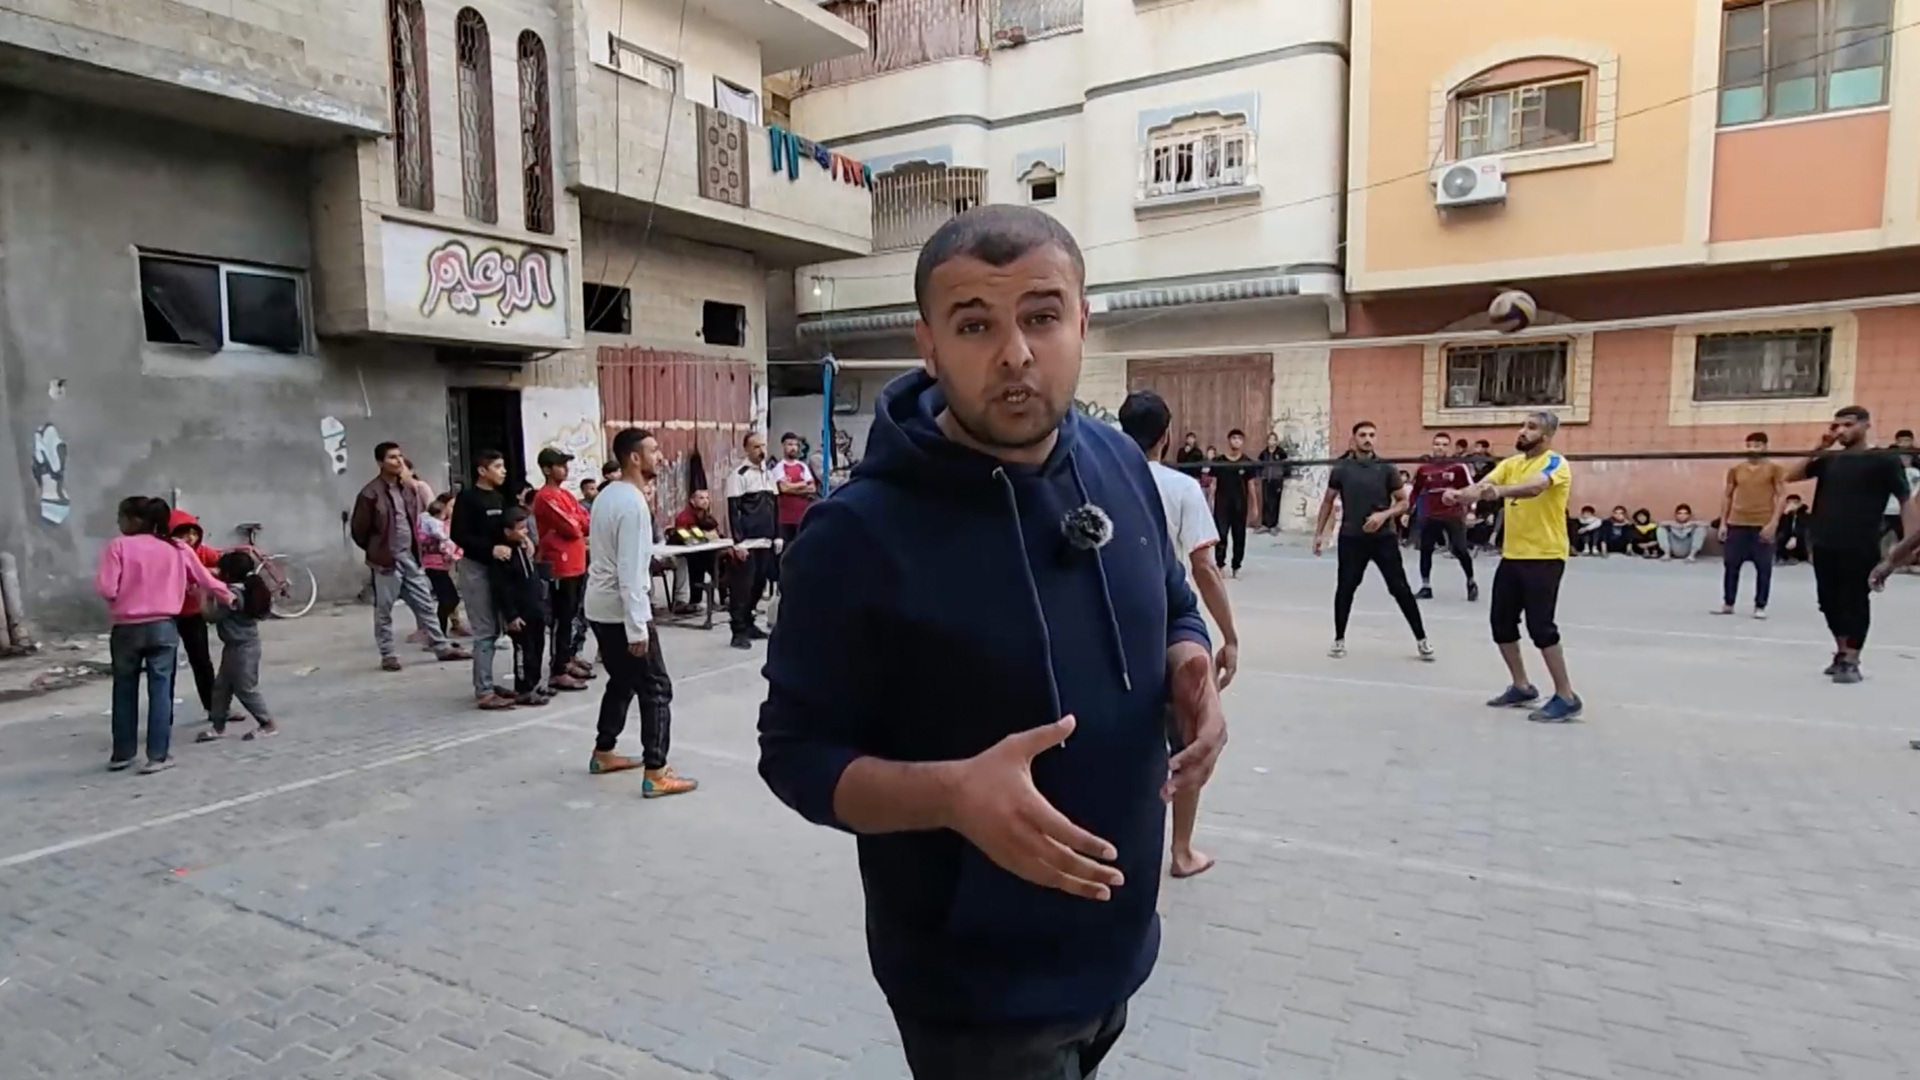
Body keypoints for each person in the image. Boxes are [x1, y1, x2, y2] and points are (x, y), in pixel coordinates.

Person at [758, 205, 1224, 1080]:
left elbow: (1170, 598)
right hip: (976, 996)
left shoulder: (1118, 463)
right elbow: (793, 756)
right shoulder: (855, 535)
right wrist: (952, 795)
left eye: (1042, 316)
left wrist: (1189, 664)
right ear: (928, 346)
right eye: (975, 325)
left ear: (1083, 322)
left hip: (1119, 948)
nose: (1015, 353)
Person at [1119, 389, 1240, 882]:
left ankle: (1117, 843)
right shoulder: (1181, 488)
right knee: (1190, 735)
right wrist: (1229, 635)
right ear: (1167, 436)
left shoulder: (1101, 479)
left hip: (1115, 623)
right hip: (1168, 622)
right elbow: (1204, 567)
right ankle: (1182, 851)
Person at [1443, 412, 1582, 722]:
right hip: (1513, 555)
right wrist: (1459, 496)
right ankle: (1522, 686)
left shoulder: (1555, 462)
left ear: (1546, 436)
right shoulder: (1511, 464)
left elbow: (1535, 487)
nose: (1522, 431)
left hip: (1545, 556)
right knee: (1501, 623)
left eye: (1531, 428)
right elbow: (1483, 486)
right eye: (1523, 426)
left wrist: (1500, 492)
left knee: (1541, 627)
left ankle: (1566, 696)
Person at [586, 427, 697, 796]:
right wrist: (638, 628)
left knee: (622, 681)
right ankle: (656, 771)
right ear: (634, 458)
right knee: (656, 688)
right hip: (622, 610)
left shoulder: (607, 495)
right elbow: (631, 572)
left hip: (599, 606)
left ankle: (604, 751)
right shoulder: (632, 504)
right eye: (653, 450)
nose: (660, 456)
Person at [96, 496, 233, 773]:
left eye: (121, 517)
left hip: (126, 628)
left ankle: (123, 754)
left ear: (136, 520)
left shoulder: (118, 546)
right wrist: (230, 597)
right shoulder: (177, 548)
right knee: (161, 690)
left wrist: (123, 599)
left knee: (124, 690)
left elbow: (107, 589)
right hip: (163, 626)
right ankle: (158, 756)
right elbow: (205, 579)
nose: (119, 523)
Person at [1785, 406, 1913, 683]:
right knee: (1828, 601)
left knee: (1854, 600)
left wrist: (1906, 545)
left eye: (1848, 424)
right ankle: (1841, 652)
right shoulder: (1829, 459)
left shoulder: (1883, 459)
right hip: (1823, 541)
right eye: (1837, 426)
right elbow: (1791, 476)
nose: (1841, 430)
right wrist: (1819, 447)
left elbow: (1905, 499)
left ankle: (1852, 659)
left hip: (1860, 542)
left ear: (1866, 426)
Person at [1314, 421, 1433, 661]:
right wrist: (1319, 534)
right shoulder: (1342, 469)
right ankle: (1339, 640)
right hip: (1351, 538)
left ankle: (1422, 640)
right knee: (1346, 588)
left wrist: (1383, 515)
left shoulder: (1386, 469)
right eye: (1363, 435)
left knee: (1400, 588)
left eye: (1371, 435)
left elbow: (1403, 502)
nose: (1368, 439)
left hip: (1383, 538)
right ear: (1354, 439)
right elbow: (1328, 501)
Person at [350, 442, 471, 673]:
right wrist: (377, 550)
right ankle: (388, 654)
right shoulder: (370, 493)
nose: (398, 461)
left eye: (400, 456)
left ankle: (441, 646)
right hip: (386, 560)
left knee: (425, 602)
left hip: (410, 556)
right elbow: (359, 530)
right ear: (380, 462)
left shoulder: (407, 489)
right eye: (392, 457)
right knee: (384, 609)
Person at [451, 449, 518, 709]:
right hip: (476, 568)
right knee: (484, 631)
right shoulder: (468, 498)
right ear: (482, 471)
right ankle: (484, 691)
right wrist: (490, 549)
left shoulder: (499, 498)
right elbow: (459, 535)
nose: (503, 471)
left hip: (497, 570)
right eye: (497, 466)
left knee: (496, 628)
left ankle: (487, 681)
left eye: (503, 466)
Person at [195, 548, 278, 742]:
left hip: (243, 648)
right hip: (236, 646)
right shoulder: (248, 587)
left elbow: (211, 616)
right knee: (222, 687)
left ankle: (267, 723)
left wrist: (203, 595)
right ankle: (218, 726)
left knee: (245, 687)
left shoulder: (232, 594)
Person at [531, 448, 591, 692]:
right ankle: (558, 669)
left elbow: (585, 522)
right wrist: (576, 522)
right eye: (560, 465)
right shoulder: (545, 497)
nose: (565, 469)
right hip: (559, 564)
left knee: (572, 614)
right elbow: (571, 527)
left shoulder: (566, 494)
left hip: (576, 562)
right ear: (547, 469)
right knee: (561, 617)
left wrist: (577, 522)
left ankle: (566, 659)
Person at [1717, 432, 1787, 618]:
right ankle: (1728, 603)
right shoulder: (1735, 469)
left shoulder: (1774, 469)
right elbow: (1727, 495)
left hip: (1762, 523)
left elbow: (1782, 496)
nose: (1752, 449)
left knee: (1764, 567)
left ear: (1765, 447)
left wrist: (1773, 523)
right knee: (1731, 565)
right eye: (1749, 445)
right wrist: (1723, 523)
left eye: (1757, 445)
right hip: (1737, 523)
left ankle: (1760, 606)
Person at [490, 507, 553, 708]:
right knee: (523, 650)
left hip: (535, 607)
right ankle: (523, 688)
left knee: (537, 646)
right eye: (520, 528)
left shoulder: (523, 548)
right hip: (520, 612)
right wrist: (511, 615)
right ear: (508, 531)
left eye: (525, 527)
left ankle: (535, 683)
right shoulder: (504, 555)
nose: (525, 532)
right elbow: (502, 588)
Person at [725, 431, 780, 650]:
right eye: (756, 447)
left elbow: (775, 507)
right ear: (746, 449)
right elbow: (733, 511)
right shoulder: (739, 475)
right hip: (748, 542)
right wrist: (738, 542)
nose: (761, 450)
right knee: (742, 588)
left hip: (766, 540)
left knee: (759, 586)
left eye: (763, 445)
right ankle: (738, 630)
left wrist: (777, 535)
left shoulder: (769, 474)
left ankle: (749, 623)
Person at [166, 509, 222, 719]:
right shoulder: (165, 555)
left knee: (201, 661)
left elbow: (224, 565)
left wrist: (213, 573)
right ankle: (163, 714)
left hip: (192, 614)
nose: (190, 538)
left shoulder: (203, 553)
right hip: (168, 614)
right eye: (183, 533)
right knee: (165, 666)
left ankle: (214, 708)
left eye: (193, 533)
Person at [1410, 432, 1478, 601]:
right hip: (1430, 515)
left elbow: (1472, 489)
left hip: (1453, 514)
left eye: (1444, 445)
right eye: (1437, 444)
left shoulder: (1458, 467)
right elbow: (1415, 491)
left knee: (1460, 549)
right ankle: (1426, 586)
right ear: (1433, 446)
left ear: (1449, 447)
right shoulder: (1424, 469)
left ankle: (1471, 581)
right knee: (1425, 549)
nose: (1440, 448)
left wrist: (1471, 511)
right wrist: (1407, 511)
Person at [419, 494, 468, 638]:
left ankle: (440, 632)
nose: (454, 510)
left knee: (449, 599)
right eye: (451, 506)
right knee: (448, 599)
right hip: (434, 565)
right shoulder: (431, 523)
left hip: (443, 565)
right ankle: (437, 633)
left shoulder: (446, 522)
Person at [668, 489, 723, 613]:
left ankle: (721, 597)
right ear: (692, 501)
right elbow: (687, 536)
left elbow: (714, 531)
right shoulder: (684, 516)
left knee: (720, 559)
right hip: (684, 553)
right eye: (701, 498)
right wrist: (704, 536)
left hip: (702, 551)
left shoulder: (705, 514)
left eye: (707, 498)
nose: (705, 501)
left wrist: (710, 535)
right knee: (699, 563)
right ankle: (691, 601)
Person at [1211, 428, 1253, 576]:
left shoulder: (1247, 462)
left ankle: (1236, 566)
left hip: (1240, 505)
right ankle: (1220, 564)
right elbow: (1213, 484)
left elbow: (1251, 486)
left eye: (1239, 439)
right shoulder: (1219, 461)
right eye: (1234, 438)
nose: (1236, 441)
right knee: (1221, 535)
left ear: (1243, 442)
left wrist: (1254, 507)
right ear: (1229, 441)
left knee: (1239, 536)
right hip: (1222, 505)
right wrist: (1209, 502)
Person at [774, 431, 819, 552]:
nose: (793, 448)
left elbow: (812, 488)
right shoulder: (779, 467)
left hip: (802, 517)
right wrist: (803, 485)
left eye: (795, 445)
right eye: (789, 444)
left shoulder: (802, 466)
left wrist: (792, 487)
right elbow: (783, 488)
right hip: (785, 519)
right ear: (783, 446)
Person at [1257, 432, 1288, 534]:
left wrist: (1282, 476)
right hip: (1266, 479)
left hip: (1277, 480)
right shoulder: (1264, 453)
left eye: (1273, 439)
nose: (1271, 441)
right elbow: (1259, 465)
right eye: (1269, 439)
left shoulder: (1281, 453)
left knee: (1275, 502)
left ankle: (1273, 525)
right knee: (1266, 502)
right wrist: (1261, 475)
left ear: (1276, 441)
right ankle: (1265, 524)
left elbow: (1286, 466)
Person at [1777, 494, 1811, 563]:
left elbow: (1803, 527)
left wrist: (1794, 536)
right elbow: (1782, 527)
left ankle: (1803, 557)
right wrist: (1785, 514)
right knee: (1781, 536)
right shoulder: (1787, 515)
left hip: (1799, 537)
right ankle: (1783, 557)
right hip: (1789, 537)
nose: (1791, 505)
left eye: (1795, 503)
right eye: (1789, 503)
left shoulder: (1804, 514)